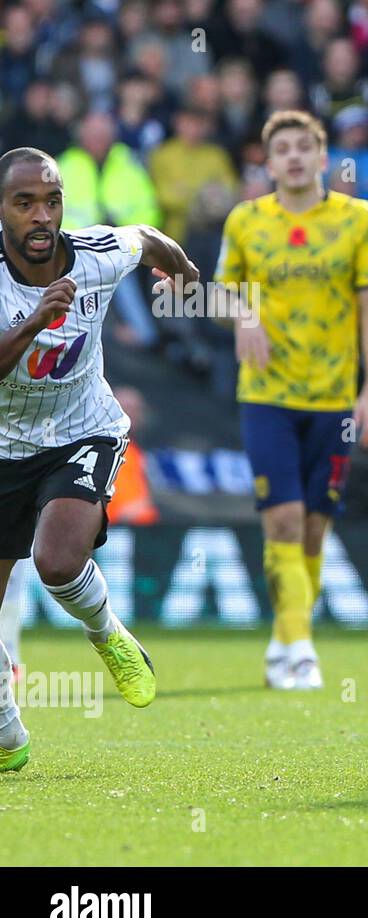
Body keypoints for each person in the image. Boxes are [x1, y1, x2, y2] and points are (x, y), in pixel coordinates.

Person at [0, 146, 200, 772]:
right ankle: (8, 732)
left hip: (82, 431)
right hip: (5, 446)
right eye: (24, 202)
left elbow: (143, 237)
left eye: (51, 201)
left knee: (57, 560)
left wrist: (184, 270)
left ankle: (108, 633)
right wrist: (35, 322)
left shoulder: (94, 256)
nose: (41, 216)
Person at [213, 111, 368, 691]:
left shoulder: (356, 219)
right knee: (283, 519)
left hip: (334, 398)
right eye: (281, 149)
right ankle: (301, 647)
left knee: (314, 528)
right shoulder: (246, 221)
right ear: (267, 163)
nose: (292, 156)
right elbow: (216, 293)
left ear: (322, 158)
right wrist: (242, 313)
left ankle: (284, 638)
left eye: (303, 147)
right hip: (265, 394)